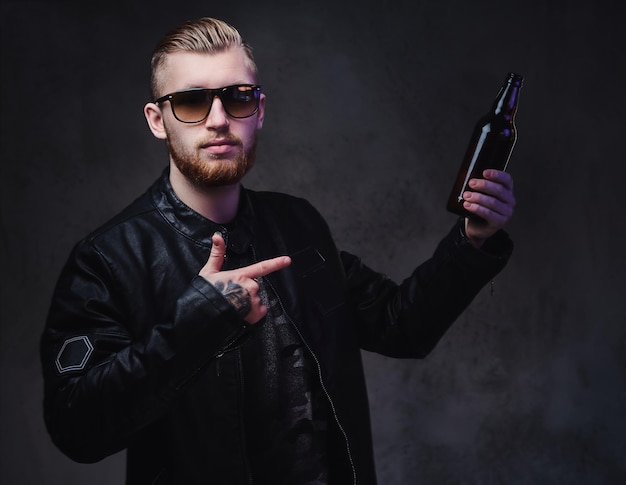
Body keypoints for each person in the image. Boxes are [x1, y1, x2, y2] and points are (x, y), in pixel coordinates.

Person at [40, 17, 515, 485]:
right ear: (157, 120)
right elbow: (77, 430)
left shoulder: (298, 224)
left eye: (238, 97)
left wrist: (472, 239)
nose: (219, 119)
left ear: (260, 109)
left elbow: (401, 327)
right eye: (190, 102)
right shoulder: (107, 258)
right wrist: (197, 320)